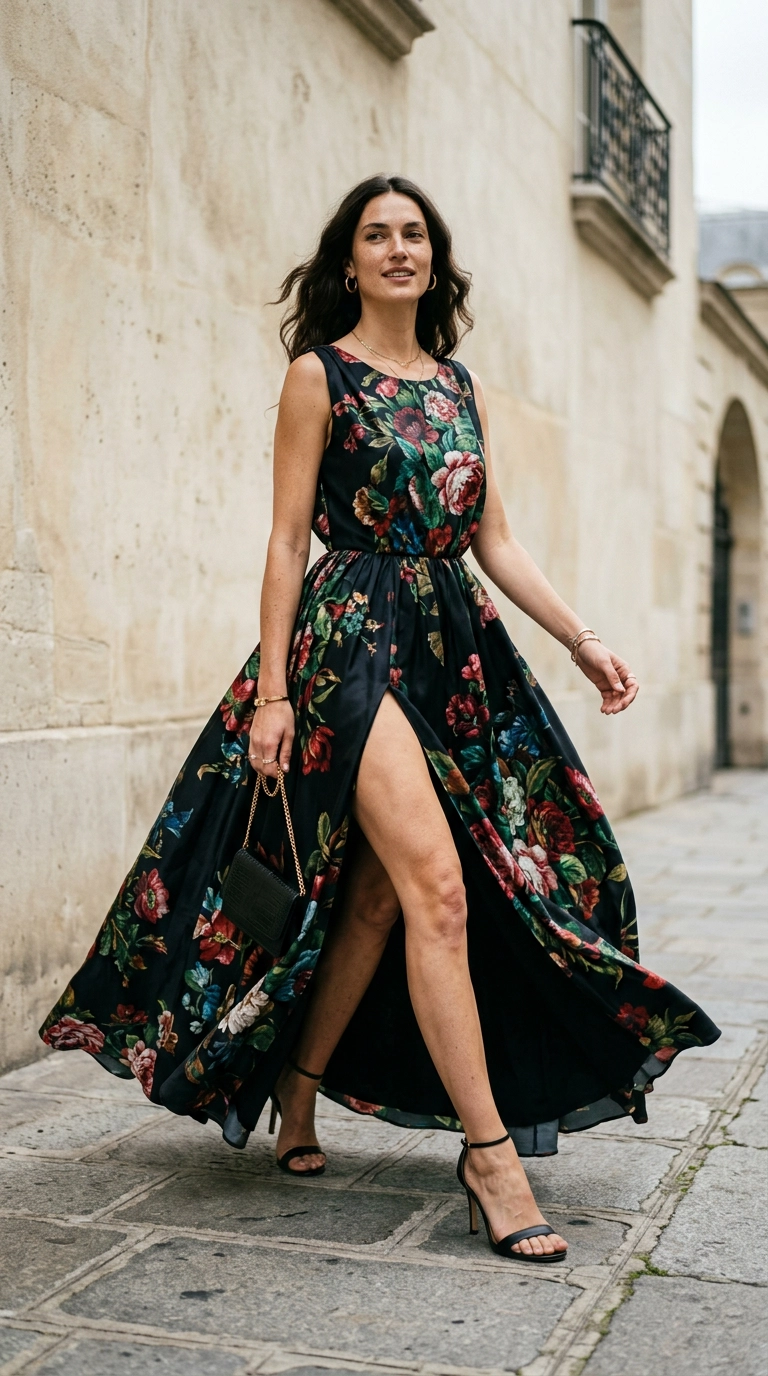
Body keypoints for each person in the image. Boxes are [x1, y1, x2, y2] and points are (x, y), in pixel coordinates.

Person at [41, 174, 720, 1265]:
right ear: (348, 261)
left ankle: (299, 1088)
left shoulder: (461, 386)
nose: (397, 249)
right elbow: (283, 539)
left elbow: (495, 539)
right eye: (377, 234)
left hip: (454, 642)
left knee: (371, 897)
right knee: (439, 888)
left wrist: (583, 638)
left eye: (414, 234)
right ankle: (490, 1155)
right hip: (348, 645)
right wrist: (271, 691)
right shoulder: (319, 375)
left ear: (434, 261)